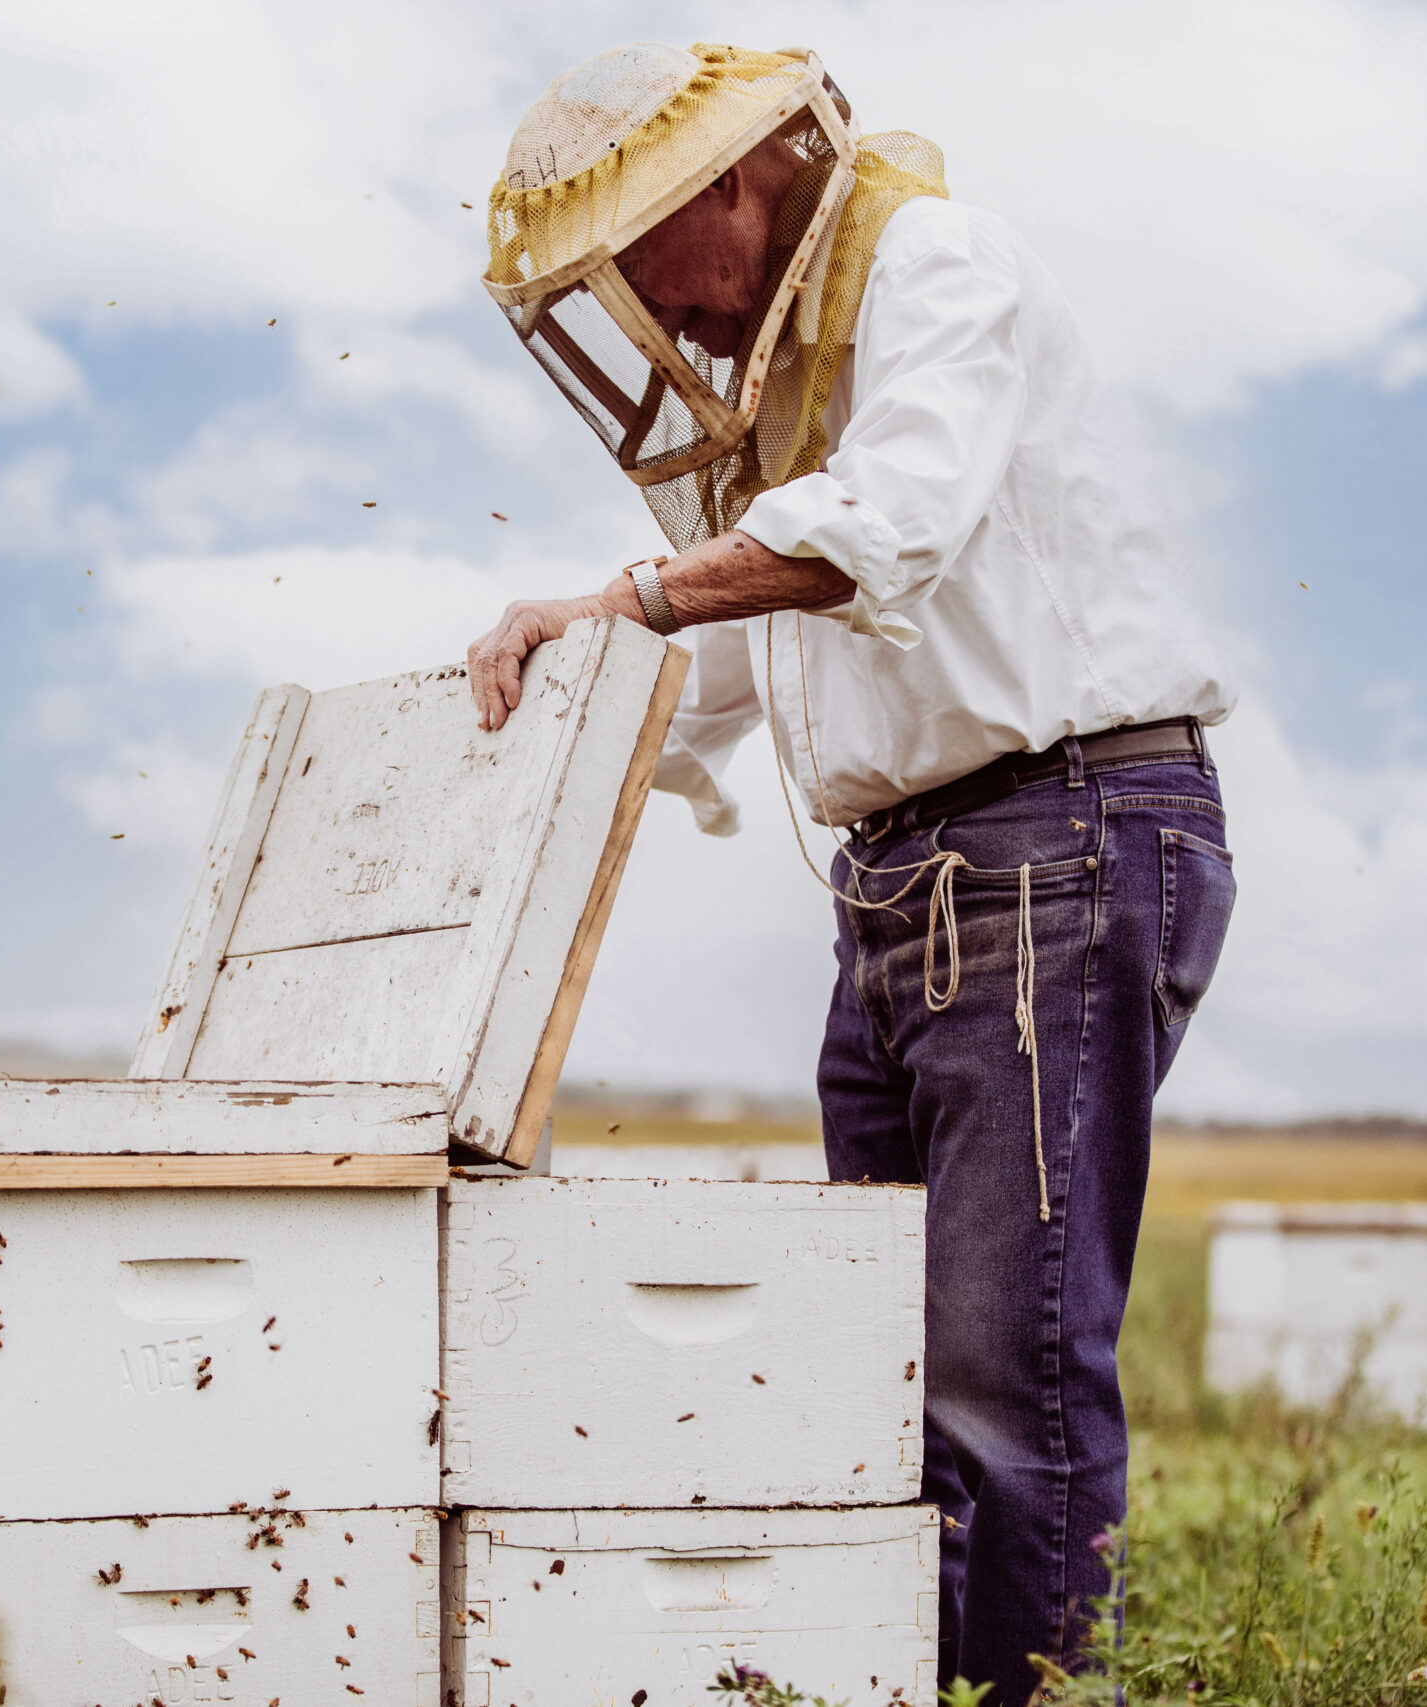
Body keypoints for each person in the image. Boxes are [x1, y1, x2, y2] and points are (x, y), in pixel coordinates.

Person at [466, 42, 1238, 1697]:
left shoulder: (936, 268)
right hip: (915, 883)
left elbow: (889, 520)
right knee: (879, 1368)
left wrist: (627, 604)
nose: (657, 324)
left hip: (1061, 841)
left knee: (998, 1377)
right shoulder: (800, 392)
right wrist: (560, 729)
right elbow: (758, 663)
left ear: (728, 190)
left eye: (645, 271)